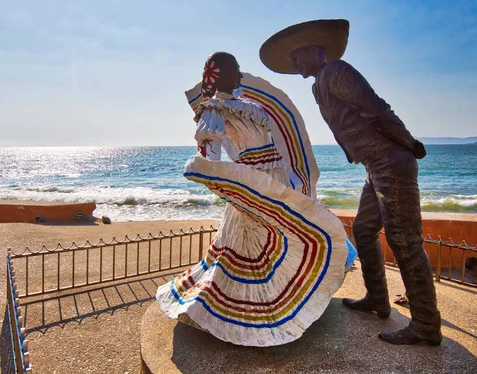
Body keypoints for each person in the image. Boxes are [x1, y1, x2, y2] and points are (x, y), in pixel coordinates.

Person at [259, 20, 442, 346]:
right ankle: (378, 299)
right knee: (363, 229)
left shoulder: (336, 72)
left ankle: (427, 324)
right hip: (375, 165)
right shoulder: (319, 85)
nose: (294, 64)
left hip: (392, 161)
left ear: (315, 50)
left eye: (296, 56)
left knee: (404, 240)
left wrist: (409, 142)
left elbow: (376, 109)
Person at [155, 51, 357, 347]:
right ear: (222, 74)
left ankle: (282, 303)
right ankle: (251, 313)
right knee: (252, 246)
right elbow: (210, 154)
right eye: (235, 69)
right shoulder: (213, 109)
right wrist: (218, 176)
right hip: (255, 183)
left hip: (274, 181)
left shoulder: (248, 105)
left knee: (285, 239)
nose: (240, 74)